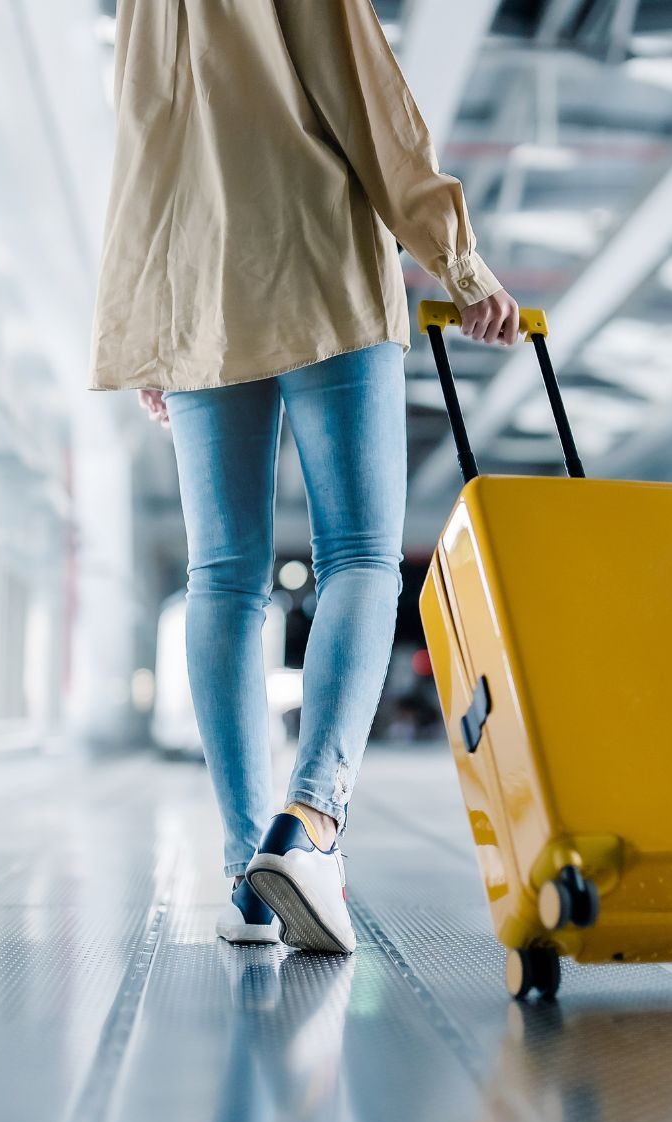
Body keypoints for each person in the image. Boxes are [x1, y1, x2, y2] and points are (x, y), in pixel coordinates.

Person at [89, 0, 520, 953]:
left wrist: (146, 324)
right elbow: (371, 102)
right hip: (319, 254)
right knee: (362, 555)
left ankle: (250, 875)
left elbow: (141, 135)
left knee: (223, 577)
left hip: (196, 281)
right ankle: (313, 818)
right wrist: (461, 262)